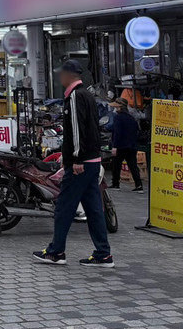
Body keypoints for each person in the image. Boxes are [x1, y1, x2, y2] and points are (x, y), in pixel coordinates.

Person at [34, 59, 113, 268]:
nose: (60, 77)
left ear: (69, 75)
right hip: (92, 161)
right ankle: (103, 254)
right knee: (94, 208)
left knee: (64, 206)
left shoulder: (76, 96)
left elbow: (77, 130)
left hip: (82, 163)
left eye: (62, 74)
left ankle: (55, 252)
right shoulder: (86, 95)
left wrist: (76, 158)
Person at [108, 99, 142, 193]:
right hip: (131, 146)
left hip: (120, 146)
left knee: (116, 165)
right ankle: (139, 185)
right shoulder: (131, 118)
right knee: (133, 166)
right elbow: (136, 132)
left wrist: (114, 146)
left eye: (116, 107)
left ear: (119, 107)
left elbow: (117, 133)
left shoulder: (118, 118)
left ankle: (115, 184)